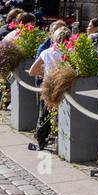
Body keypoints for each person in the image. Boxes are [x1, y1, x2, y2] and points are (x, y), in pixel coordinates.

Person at [27, 24, 72, 152]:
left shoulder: (46, 52)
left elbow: (31, 71)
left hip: (50, 88)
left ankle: (41, 141)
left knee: (45, 116)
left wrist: (45, 72)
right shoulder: (73, 52)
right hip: (67, 89)